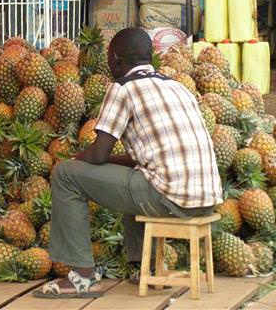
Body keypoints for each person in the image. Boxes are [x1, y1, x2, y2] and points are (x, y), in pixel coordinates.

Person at [36, 28, 223, 298]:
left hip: (170, 198)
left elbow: (98, 154)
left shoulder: (124, 88)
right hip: (206, 199)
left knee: (66, 174)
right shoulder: (176, 86)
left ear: (116, 59)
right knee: (136, 173)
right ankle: (143, 267)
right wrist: (107, 161)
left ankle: (81, 276)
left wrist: (80, 159)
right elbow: (145, 158)